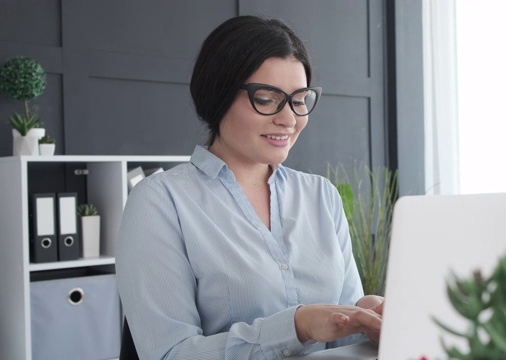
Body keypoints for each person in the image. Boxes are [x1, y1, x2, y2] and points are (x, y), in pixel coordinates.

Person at [116, 15, 384, 360]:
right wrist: (297, 327)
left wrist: (367, 317)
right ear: (219, 94)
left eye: (299, 99)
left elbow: (346, 339)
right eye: (268, 98)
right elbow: (169, 354)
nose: (289, 118)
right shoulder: (160, 202)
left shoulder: (321, 195)